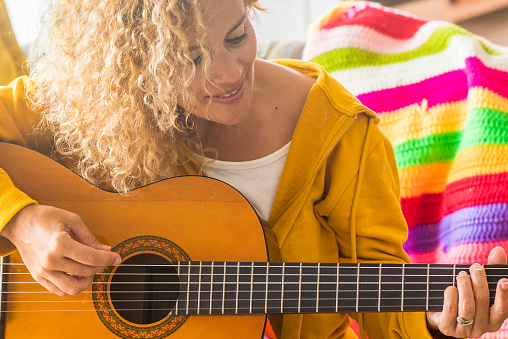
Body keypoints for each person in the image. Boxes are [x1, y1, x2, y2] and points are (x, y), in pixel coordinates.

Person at [0, 0, 507, 338]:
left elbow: (387, 306)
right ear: (130, 66)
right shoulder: (87, 101)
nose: (226, 74)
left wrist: (440, 323)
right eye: (190, 58)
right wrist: (20, 221)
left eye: (237, 36)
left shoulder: (340, 135)